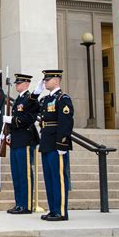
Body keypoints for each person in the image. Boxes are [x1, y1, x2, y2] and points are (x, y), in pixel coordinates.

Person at [29, 70, 73, 221]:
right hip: (46, 142)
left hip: (57, 143)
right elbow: (29, 106)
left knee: (59, 178)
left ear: (57, 80)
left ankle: (61, 211)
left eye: (48, 80)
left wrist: (62, 143)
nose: (45, 82)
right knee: (49, 178)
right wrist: (36, 91)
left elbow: (66, 122)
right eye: (44, 80)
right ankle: (53, 209)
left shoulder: (63, 98)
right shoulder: (45, 99)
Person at [3, 73, 39, 214]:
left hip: (25, 139)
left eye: (19, 83)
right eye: (16, 83)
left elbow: (30, 118)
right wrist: (10, 132)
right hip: (17, 139)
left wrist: (12, 121)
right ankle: (19, 203)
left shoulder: (30, 99)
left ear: (26, 84)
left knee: (25, 174)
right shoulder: (19, 99)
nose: (17, 85)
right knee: (16, 173)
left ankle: (26, 205)